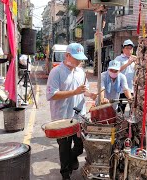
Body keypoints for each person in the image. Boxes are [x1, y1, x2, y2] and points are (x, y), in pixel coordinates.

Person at [46, 43, 96, 180]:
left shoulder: (80, 72)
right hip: (62, 117)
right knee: (64, 148)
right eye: (76, 58)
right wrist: (73, 92)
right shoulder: (56, 72)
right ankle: (65, 173)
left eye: (81, 59)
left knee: (80, 146)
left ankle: (71, 160)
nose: (79, 61)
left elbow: (83, 90)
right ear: (67, 55)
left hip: (79, 116)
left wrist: (90, 95)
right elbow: (51, 95)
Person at [114, 39, 136, 113]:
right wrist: (128, 63)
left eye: (131, 48)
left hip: (132, 89)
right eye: (127, 48)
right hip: (121, 90)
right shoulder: (118, 59)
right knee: (120, 110)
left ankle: (130, 124)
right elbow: (115, 71)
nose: (129, 50)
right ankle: (119, 123)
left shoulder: (134, 59)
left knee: (133, 110)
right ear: (123, 49)